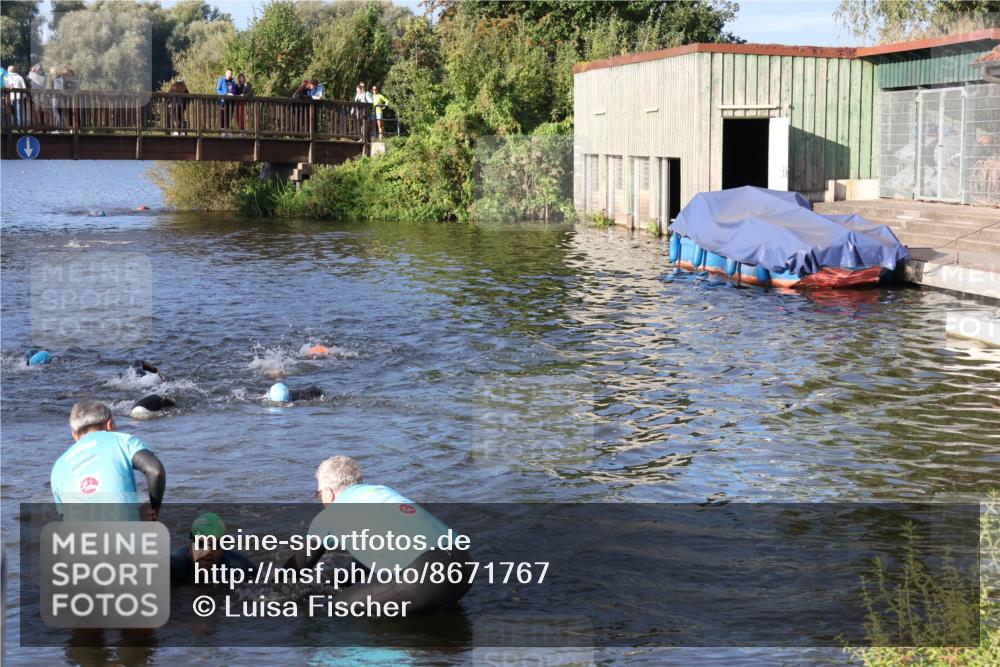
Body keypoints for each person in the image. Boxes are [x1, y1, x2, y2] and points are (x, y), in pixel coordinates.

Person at [283, 456, 473, 613]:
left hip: (424, 577)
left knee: (335, 607)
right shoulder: (384, 491)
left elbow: (297, 568)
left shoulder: (329, 516)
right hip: (464, 567)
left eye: (319, 494)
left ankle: (393, 656)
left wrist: (265, 589)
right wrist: (337, 580)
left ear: (329, 493)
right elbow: (378, 557)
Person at [50, 400, 166, 521]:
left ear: (74, 434)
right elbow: (156, 471)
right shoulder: (122, 440)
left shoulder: (58, 466)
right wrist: (154, 509)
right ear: (110, 425)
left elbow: (64, 517)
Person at [170, 512, 254, 584]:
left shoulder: (242, 569)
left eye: (216, 544)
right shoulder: (174, 567)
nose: (208, 551)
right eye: (201, 543)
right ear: (191, 543)